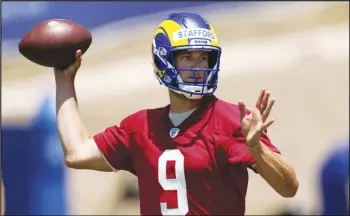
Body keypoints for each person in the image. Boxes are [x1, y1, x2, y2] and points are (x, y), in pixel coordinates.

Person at [54, 12, 298, 215]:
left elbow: (289, 188)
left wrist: (257, 149)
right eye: (186, 57)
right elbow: (77, 153)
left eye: (203, 57)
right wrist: (65, 81)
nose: (197, 66)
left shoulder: (233, 120)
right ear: (164, 60)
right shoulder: (140, 127)